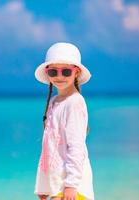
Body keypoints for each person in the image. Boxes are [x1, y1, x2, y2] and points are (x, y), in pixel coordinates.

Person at [33, 42, 95, 200]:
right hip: (57, 186)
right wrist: (43, 184)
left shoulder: (74, 102)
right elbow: (50, 148)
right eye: (53, 72)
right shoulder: (54, 101)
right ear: (48, 73)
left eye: (66, 71)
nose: (59, 77)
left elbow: (76, 146)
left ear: (76, 72)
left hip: (71, 188)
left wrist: (71, 185)